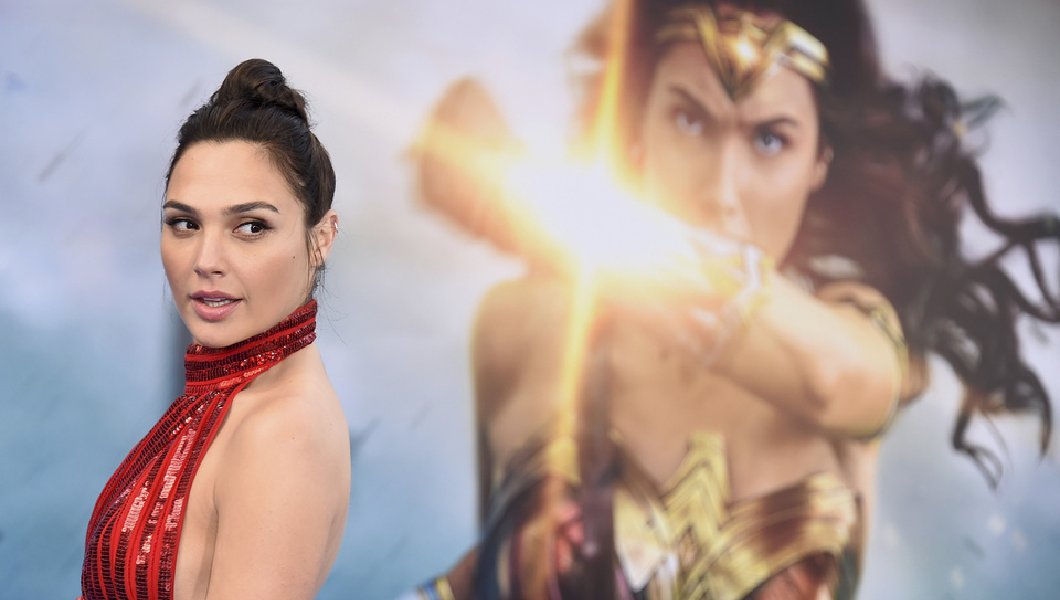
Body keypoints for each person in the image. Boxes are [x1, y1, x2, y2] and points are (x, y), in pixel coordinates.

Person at [410, 0, 1059, 598]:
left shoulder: (858, 344)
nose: (721, 193)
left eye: (770, 139)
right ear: (638, 126)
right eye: (690, 120)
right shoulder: (521, 328)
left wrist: (516, 198)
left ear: (820, 162)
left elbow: (827, 381)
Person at [80, 58, 350, 600]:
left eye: (250, 227)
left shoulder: (282, 435)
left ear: (321, 238)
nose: (205, 261)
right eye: (185, 223)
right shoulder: (234, 400)